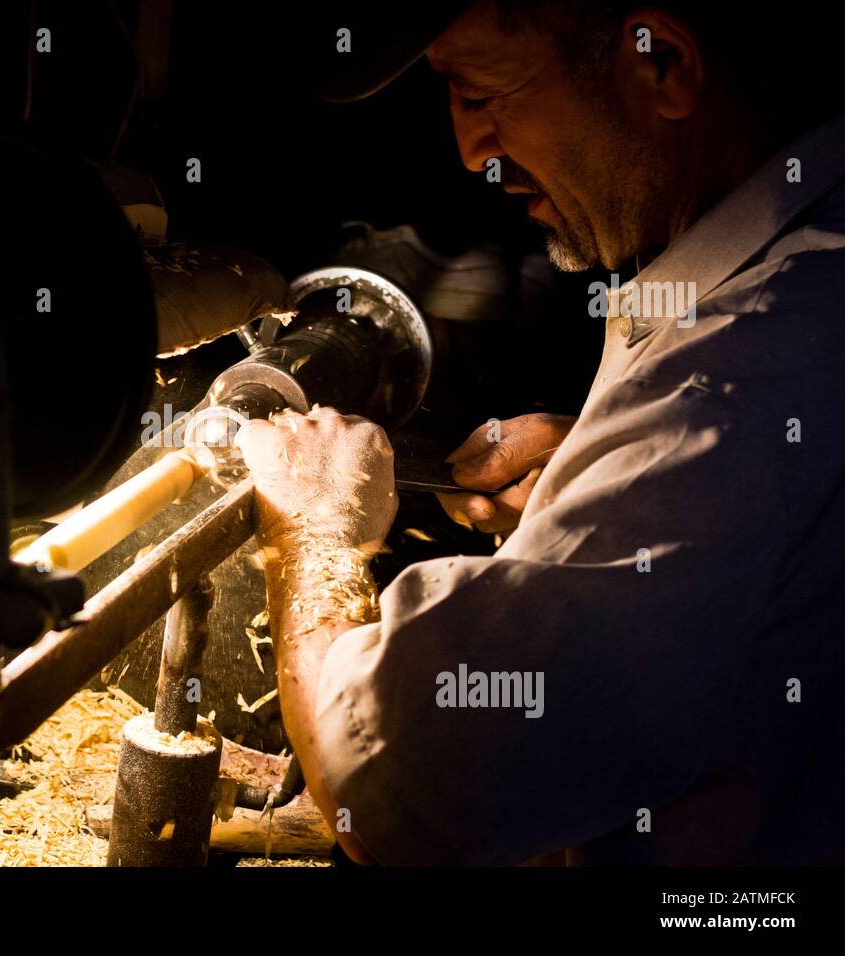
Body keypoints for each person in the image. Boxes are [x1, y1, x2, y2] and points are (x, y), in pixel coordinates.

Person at [236, 0, 845, 864]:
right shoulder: (798, 274)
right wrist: (604, 476)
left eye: (480, 91)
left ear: (662, 64)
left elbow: (402, 781)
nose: (470, 150)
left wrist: (315, 533)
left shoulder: (735, 376)